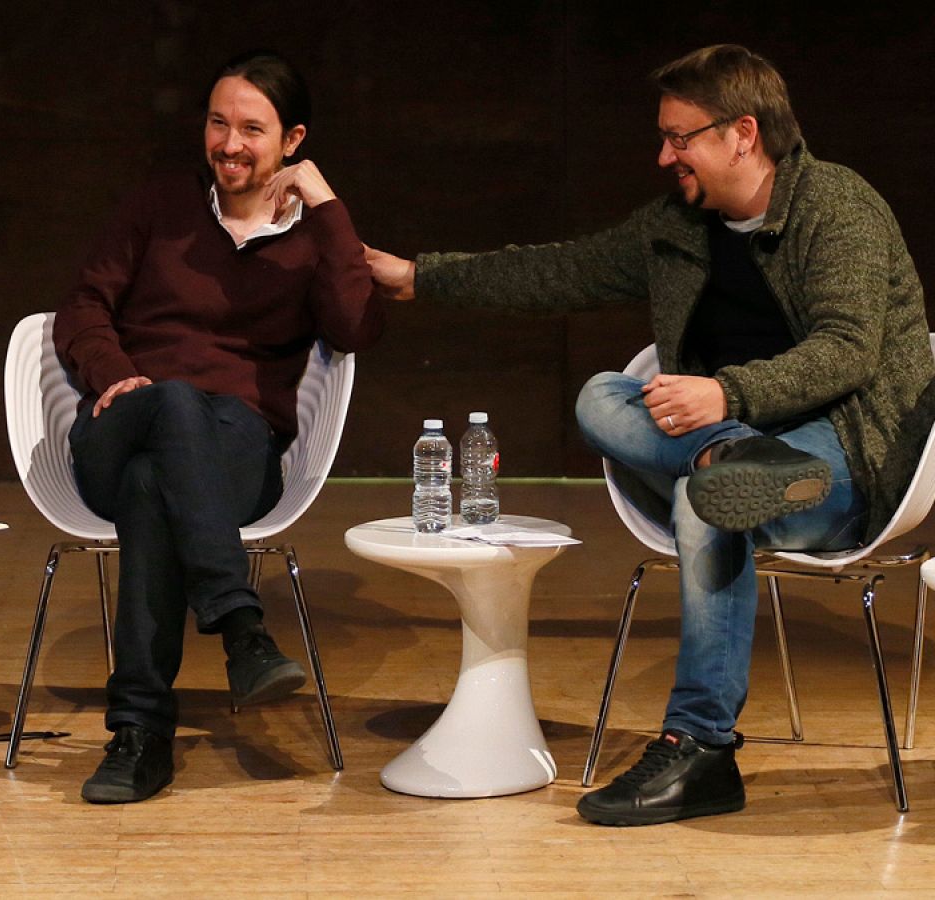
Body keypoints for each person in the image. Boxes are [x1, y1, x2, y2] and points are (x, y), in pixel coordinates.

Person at [367, 44, 934, 825]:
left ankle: (700, 748)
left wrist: (729, 391)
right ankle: (731, 458)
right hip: (730, 444)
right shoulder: (682, 227)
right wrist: (421, 277)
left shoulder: (836, 207)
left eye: (680, 137)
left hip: (845, 458)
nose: (664, 154)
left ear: (742, 132)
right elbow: (560, 270)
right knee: (602, 396)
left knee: (708, 504)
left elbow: (849, 348)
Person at [55, 50, 385, 804]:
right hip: (123, 420)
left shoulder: (311, 238)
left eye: (251, 129)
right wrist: (116, 375)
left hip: (237, 446)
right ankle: (240, 627)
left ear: (291, 140)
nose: (229, 144)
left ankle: (139, 735)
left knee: (153, 486)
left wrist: (327, 207)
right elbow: (82, 308)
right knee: (167, 406)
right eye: (216, 122)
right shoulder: (159, 206)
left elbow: (356, 326)